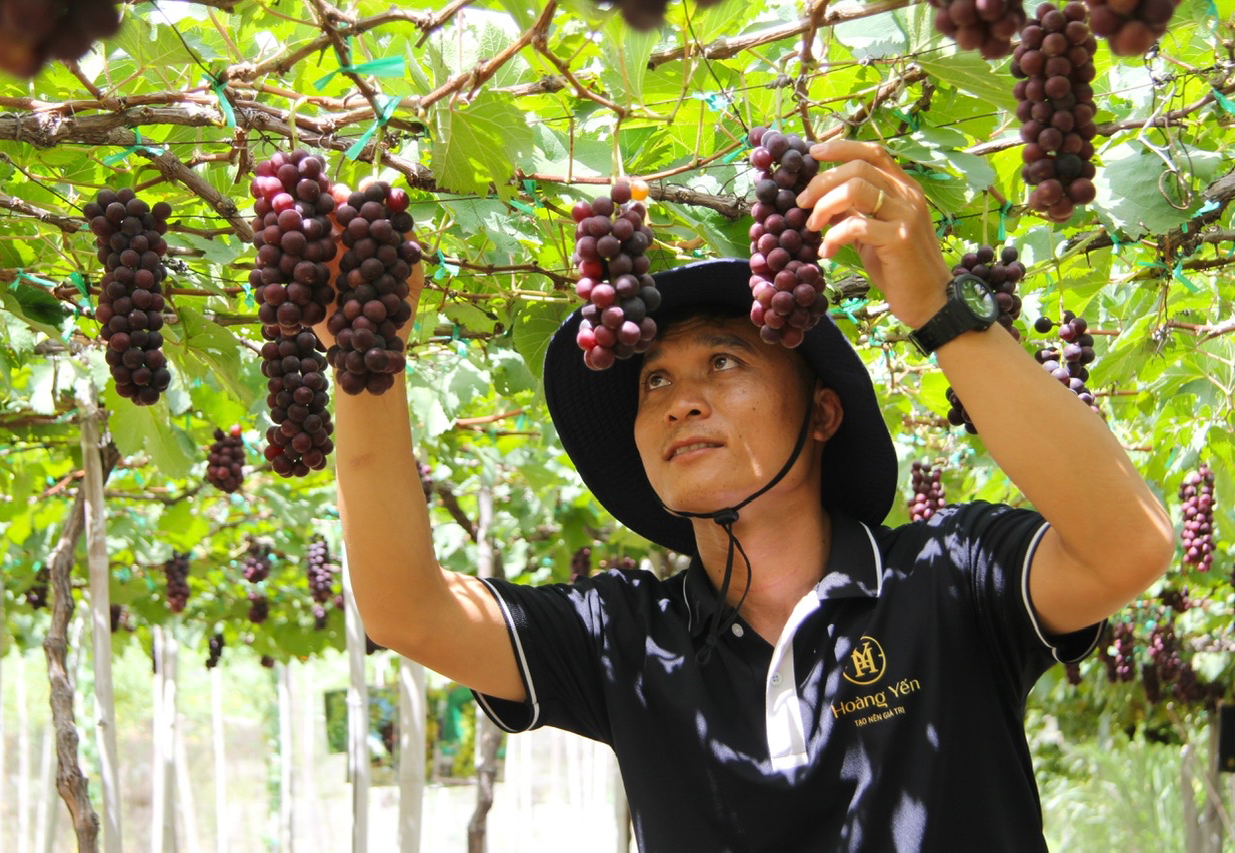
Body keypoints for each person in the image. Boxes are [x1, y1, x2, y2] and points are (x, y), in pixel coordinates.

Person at [324, 140, 1175, 851]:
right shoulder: (625, 637)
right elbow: (407, 610)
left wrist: (936, 308)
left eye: (724, 362)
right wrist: (366, 361)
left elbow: (1129, 545)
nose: (678, 400)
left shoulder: (947, 579)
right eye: (653, 380)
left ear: (822, 413)